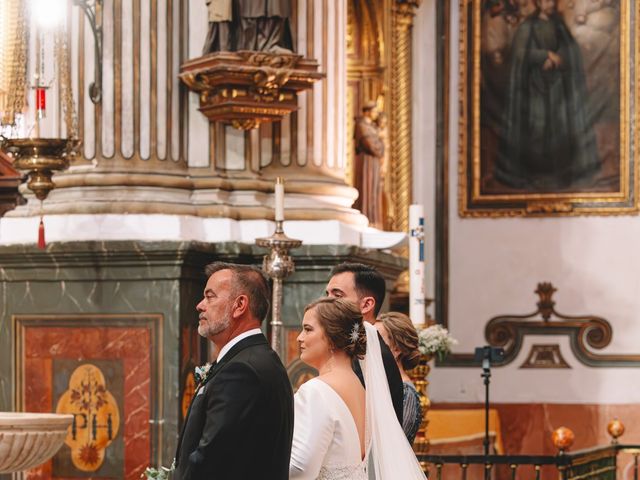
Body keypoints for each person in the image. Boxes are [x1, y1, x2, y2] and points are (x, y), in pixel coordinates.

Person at [174, 262, 294, 480]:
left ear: (239, 305)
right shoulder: (260, 359)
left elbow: (210, 460)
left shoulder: (241, 372)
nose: (200, 305)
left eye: (210, 296)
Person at [290, 297, 427, 479]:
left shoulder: (315, 391)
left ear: (332, 338)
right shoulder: (361, 390)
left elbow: (301, 469)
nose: (300, 337)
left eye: (308, 329)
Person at [495, 0, 599, 190]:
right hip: (533, 90)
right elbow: (520, 54)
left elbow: (571, 51)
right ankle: (534, 175)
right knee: (537, 130)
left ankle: (558, 175)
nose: (550, 3)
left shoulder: (559, 26)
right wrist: (545, 55)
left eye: (552, 0)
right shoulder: (527, 27)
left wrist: (559, 57)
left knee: (558, 132)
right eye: (546, 0)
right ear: (538, 3)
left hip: (557, 90)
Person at [325, 263, 404, 426]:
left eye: (337, 295)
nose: (326, 302)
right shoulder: (353, 347)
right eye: (327, 294)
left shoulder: (371, 355)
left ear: (366, 305)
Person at [376, 312, 424, 444]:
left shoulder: (406, 393)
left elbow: (395, 443)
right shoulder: (380, 385)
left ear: (396, 349)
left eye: (377, 341)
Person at [353, 103, 385, 228]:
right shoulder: (362, 125)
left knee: (374, 189)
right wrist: (380, 144)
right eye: (374, 111)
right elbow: (371, 145)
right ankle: (367, 217)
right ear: (367, 112)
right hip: (366, 163)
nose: (376, 114)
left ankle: (374, 219)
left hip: (373, 163)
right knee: (367, 187)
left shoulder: (371, 126)